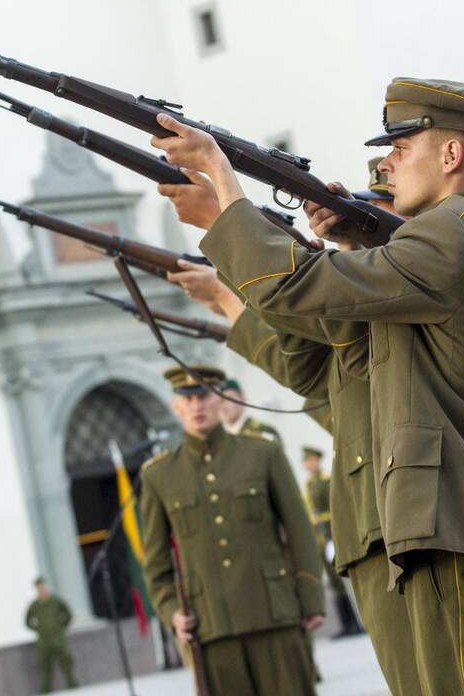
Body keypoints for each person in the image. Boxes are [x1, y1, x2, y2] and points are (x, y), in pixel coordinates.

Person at [152, 77, 464, 693]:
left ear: (451, 155)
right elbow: (322, 346)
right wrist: (356, 240)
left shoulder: (455, 233)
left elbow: (298, 291)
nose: (386, 162)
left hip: (460, 528)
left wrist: (226, 193)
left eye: (401, 148)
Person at [165, 260, 424, 695]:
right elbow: (317, 386)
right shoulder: (165, 473)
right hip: (360, 540)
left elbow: (295, 524)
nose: (202, 406)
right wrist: (229, 304)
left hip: (381, 539)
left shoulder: (260, 446)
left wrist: (230, 298)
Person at [139, 365, 324, 696]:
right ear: (176, 407)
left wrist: (310, 599)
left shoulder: (262, 454)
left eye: (204, 397)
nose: (197, 406)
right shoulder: (159, 476)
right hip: (210, 627)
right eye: (188, 399)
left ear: (221, 400)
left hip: (275, 615)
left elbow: (300, 532)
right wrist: (171, 613)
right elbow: (155, 563)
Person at [302, 447, 365, 638]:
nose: (309, 464)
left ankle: (355, 622)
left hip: (331, 534)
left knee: (340, 579)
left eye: (312, 460)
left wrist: (332, 534)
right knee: (332, 581)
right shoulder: (309, 484)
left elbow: (334, 508)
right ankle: (345, 623)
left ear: (317, 461)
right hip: (320, 538)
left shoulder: (325, 481)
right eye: (306, 461)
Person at [24, 578, 77, 694]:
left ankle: (75, 690)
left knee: (67, 668)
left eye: (42, 586)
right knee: (45, 671)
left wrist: (61, 626)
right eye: (38, 587)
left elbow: (68, 614)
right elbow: (27, 622)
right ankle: (45, 692)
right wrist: (38, 629)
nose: (41, 589)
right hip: (44, 643)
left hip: (58, 640)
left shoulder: (55, 601)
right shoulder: (34, 605)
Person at [219, 378, 283, 443]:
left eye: (229, 399)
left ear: (242, 399)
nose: (223, 405)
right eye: (219, 401)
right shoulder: (218, 438)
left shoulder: (263, 432)